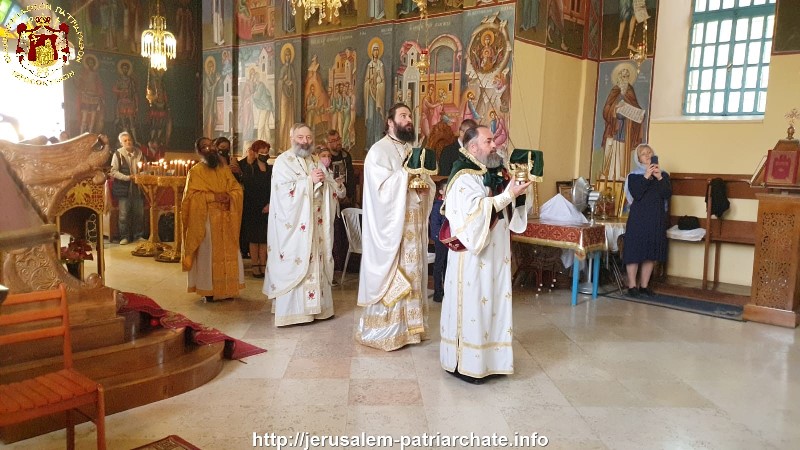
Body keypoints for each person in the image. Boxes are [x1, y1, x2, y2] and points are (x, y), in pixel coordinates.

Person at [440, 125, 532, 384]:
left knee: (493, 305)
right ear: (473, 147)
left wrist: (519, 193)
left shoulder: (494, 172)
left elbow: (507, 204)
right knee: (474, 306)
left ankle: (493, 361)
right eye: (489, 141)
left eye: (494, 140)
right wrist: (507, 196)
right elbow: (475, 214)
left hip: (496, 253)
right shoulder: (463, 176)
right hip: (473, 257)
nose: (496, 145)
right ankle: (466, 363)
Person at [356, 103, 434, 351]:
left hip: (412, 224)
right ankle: (387, 330)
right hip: (392, 229)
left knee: (412, 273)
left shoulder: (410, 149)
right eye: (403, 116)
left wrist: (425, 186)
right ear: (390, 122)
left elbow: (425, 181)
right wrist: (406, 176)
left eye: (410, 116)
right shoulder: (379, 152)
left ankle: (411, 329)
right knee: (394, 274)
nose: (409, 119)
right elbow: (380, 191)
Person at [263, 123, 344, 326]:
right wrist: (309, 181)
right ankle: (293, 312)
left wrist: (330, 184)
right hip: (295, 225)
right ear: (292, 138)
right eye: (300, 137)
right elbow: (283, 193)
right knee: (296, 260)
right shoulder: (283, 161)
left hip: (315, 223)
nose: (305, 142)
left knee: (316, 261)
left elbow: (330, 187)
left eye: (308, 138)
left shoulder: (315, 160)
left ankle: (318, 309)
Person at [181, 137, 245, 302]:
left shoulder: (224, 169)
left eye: (211, 145)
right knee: (208, 253)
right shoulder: (195, 171)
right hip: (207, 219)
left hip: (226, 217)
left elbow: (236, 188)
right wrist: (213, 196)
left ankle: (228, 288)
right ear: (199, 151)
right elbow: (191, 197)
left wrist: (230, 196)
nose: (209, 148)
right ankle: (209, 290)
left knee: (230, 252)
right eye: (205, 146)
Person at [622, 143, 671, 298]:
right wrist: (646, 176)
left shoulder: (663, 175)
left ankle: (644, 286)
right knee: (634, 251)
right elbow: (636, 194)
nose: (648, 155)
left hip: (655, 217)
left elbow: (667, 194)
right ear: (638, 158)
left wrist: (659, 177)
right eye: (644, 154)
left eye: (650, 153)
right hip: (638, 218)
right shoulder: (634, 176)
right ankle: (632, 286)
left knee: (650, 252)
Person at [239, 140, 272, 278]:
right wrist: (250, 162)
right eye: (262, 152)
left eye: (266, 152)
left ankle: (263, 264)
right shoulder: (250, 167)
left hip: (267, 205)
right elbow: (247, 184)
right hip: (252, 206)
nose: (264, 154)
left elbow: (274, 187)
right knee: (254, 238)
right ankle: (254, 264)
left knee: (264, 238)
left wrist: (270, 204)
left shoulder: (271, 169)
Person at [109, 131, 145, 245]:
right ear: (121, 143)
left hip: (138, 189)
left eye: (129, 140)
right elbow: (113, 171)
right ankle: (124, 237)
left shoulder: (140, 153)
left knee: (139, 214)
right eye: (125, 141)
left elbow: (145, 168)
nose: (128, 142)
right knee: (124, 215)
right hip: (124, 188)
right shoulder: (118, 154)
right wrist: (127, 177)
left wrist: (141, 176)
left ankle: (138, 236)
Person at [429, 178, 448, 303]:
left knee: (449, 265)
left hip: (451, 240)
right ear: (441, 191)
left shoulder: (453, 203)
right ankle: (438, 291)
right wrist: (439, 237)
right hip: (441, 240)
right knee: (439, 265)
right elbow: (435, 225)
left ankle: (448, 290)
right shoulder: (437, 206)